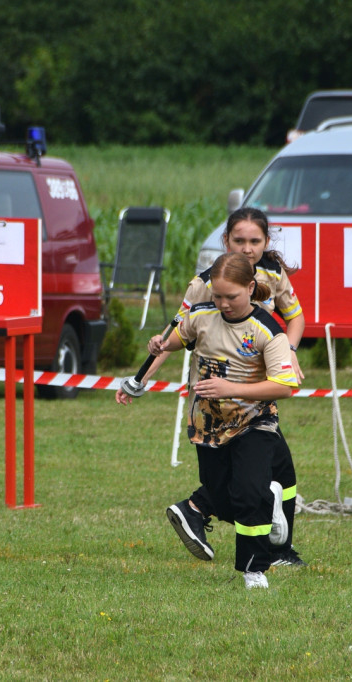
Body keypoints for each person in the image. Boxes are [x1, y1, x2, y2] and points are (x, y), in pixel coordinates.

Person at [116, 207, 306, 567]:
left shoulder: (274, 273)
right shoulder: (206, 283)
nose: (247, 248)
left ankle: (277, 548)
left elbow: (294, 318)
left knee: (281, 473)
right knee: (241, 482)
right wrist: (140, 379)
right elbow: (175, 335)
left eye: (255, 241)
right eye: (239, 240)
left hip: (257, 397)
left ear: (266, 242)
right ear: (226, 241)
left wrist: (288, 353)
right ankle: (201, 510)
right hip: (216, 400)